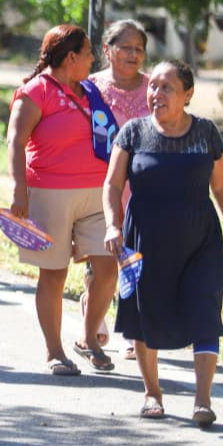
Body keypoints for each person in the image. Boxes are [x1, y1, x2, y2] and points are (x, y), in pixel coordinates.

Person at [104, 61, 223, 426]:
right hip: (143, 240)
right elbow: (113, 185)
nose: (156, 94)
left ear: (188, 94)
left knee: (204, 312)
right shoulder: (133, 133)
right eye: (154, 86)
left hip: (200, 241)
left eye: (167, 87)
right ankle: (152, 392)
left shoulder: (205, 133)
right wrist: (112, 226)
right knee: (143, 314)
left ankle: (203, 400)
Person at [7, 24, 116, 376]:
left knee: (107, 267)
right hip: (49, 191)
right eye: (88, 54)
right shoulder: (35, 92)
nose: (92, 60)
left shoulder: (90, 92)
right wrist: (19, 189)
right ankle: (55, 352)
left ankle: (88, 338)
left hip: (97, 193)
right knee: (53, 274)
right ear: (71, 57)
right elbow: (15, 141)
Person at [82, 19, 151, 354]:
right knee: (102, 257)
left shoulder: (156, 88)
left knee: (139, 258)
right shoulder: (89, 87)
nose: (133, 54)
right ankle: (92, 313)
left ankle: (133, 331)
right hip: (100, 185)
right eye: (126, 47)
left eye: (139, 49)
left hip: (144, 187)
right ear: (107, 50)